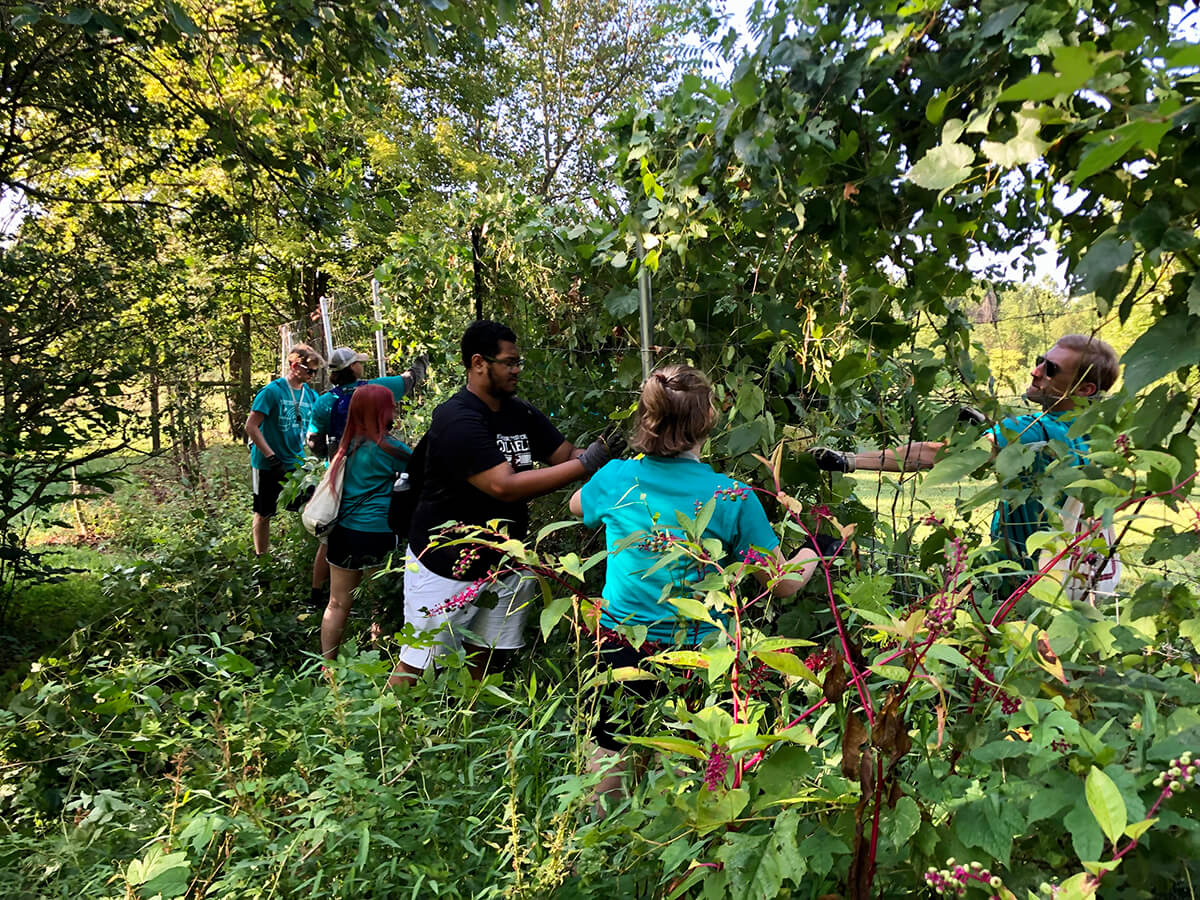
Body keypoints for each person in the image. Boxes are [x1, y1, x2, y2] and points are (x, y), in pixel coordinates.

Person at [568, 364, 825, 814]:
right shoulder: (731, 497)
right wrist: (814, 551)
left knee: (607, 750)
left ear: (646, 417)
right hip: (701, 653)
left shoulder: (613, 479)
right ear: (708, 419)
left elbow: (576, 505)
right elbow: (781, 585)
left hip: (619, 643)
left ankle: (599, 843)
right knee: (696, 760)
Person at [389, 320, 622, 685]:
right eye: (509, 362)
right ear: (479, 362)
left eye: (518, 362)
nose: (516, 370)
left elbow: (563, 454)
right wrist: (585, 464)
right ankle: (393, 732)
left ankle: (467, 723)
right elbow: (504, 487)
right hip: (444, 561)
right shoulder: (457, 419)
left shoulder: (519, 412)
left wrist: (608, 461)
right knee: (419, 661)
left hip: (504, 558)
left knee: (487, 653)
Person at [811, 334, 1120, 569]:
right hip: (1076, 569)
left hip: (1018, 572)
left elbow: (938, 455)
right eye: (1041, 359)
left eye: (1050, 368)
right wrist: (990, 427)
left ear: (1084, 389)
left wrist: (848, 460)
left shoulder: (1030, 429)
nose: (1035, 371)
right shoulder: (1102, 433)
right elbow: (1037, 454)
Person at [304, 346, 428, 607]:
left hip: (342, 476)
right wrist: (423, 360)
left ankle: (316, 592)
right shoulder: (377, 389)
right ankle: (374, 622)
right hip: (376, 506)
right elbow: (411, 378)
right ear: (352, 368)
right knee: (377, 589)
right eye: (358, 362)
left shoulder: (325, 401)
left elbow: (313, 440)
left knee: (328, 542)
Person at [319, 384, 411, 660]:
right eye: (391, 405)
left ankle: (327, 667)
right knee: (378, 606)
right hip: (378, 533)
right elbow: (423, 472)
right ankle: (377, 662)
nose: (394, 409)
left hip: (343, 533)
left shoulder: (343, 447)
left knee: (337, 603)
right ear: (380, 411)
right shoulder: (393, 449)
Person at [245, 344, 325, 562]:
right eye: (309, 370)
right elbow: (251, 426)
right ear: (294, 366)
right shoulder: (272, 392)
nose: (312, 375)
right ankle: (262, 559)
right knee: (264, 512)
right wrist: (271, 456)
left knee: (311, 504)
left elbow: (318, 425)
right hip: (267, 462)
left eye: (315, 372)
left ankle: (309, 554)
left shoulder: (310, 395)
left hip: (296, 463)